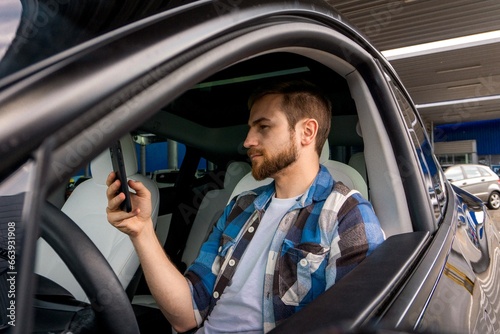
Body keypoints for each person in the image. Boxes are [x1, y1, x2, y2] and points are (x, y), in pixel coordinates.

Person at [106, 79, 385, 333]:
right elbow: (186, 315)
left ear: (307, 132)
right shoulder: (241, 207)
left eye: (263, 127)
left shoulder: (346, 214)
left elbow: (353, 326)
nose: (247, 141)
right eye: (251, 128)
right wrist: (142, 232)